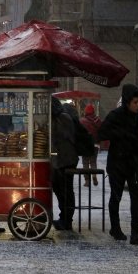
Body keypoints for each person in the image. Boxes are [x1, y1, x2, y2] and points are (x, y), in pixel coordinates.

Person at [98, 84, 138, 245]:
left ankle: (135, 232)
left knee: (136, 198)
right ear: (127, 102)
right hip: (118, 162)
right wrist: (122, 134)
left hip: (136, 162)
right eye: (135, 102)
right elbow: (101, 133)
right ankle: (115, 228)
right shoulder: (116, 116)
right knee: (116, 196)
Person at [51, 97, 78, 231]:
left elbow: (59, 138)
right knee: (59, 189)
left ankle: (67, 219)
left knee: (66, 190)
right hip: (60, 160)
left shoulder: (63, 118)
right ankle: (64, 217)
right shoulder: (58, 118)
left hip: (66, 160)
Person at [80, 104, 102, 187]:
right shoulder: (98, 120)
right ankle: (94, 175)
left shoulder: (83, 121)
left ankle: (87, 180)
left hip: (85, 144)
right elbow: (102, 130)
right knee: (93, 161)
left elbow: (80, 133)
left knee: (85, 162)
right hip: (95, 144)